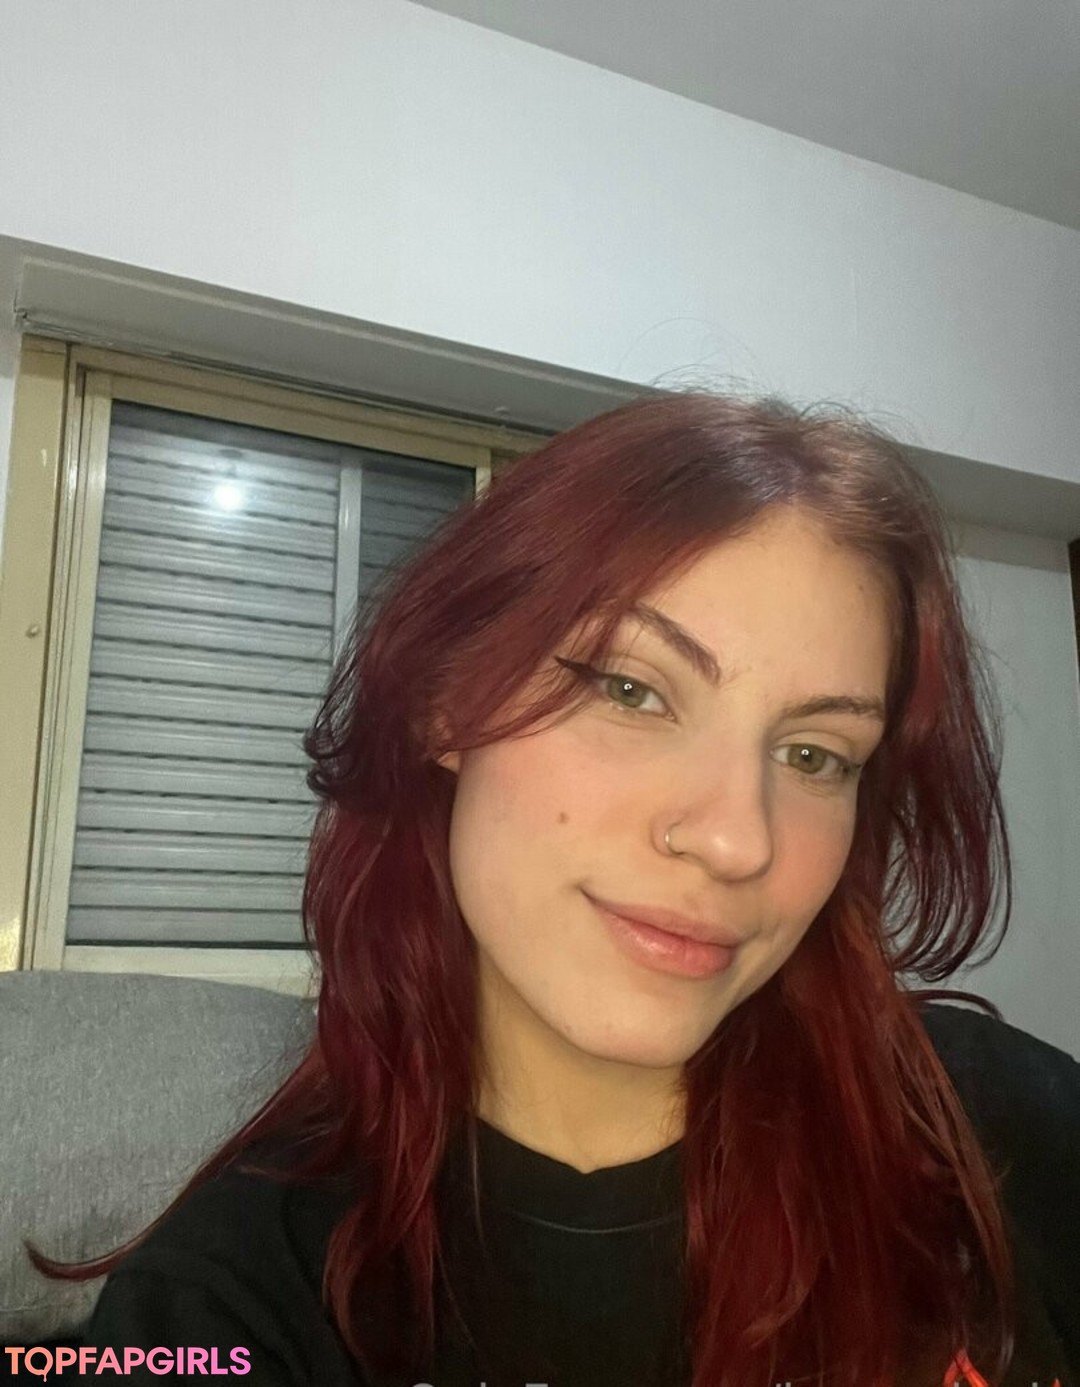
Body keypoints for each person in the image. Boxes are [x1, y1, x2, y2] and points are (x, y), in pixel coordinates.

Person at [30, 392, 1079, 1386]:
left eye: (814, 755)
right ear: (449, 701)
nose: (735, 839)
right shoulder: (229, 1300)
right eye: (632, 690)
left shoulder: (996, 1126)